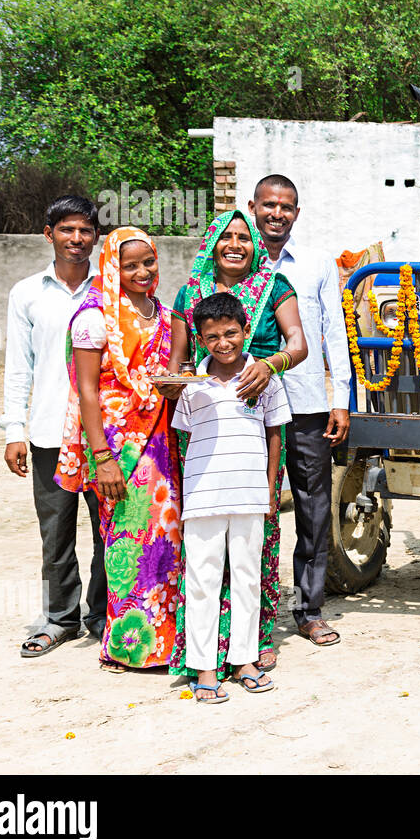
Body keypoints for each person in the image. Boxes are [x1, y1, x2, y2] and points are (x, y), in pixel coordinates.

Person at [166, 209, 308, 675]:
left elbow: (299, 343)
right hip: (207, 425)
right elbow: (181, 361)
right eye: (225, 236)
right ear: (211, 241)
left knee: (253, 551)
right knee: (204, 560)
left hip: (261, 406)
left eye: (243, 237)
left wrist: (269, 366)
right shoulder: (190, 291)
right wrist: (182, 382)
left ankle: (253, 643)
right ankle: (204, 656)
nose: (235, 244)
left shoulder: (275, 284)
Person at [56, 227, 181, 672]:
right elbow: (86, 392)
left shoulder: (165, 315)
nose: (143, 272)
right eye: (131, 266)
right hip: (118, 451)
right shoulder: (95, 317)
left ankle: (165, 644)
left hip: (162, 445)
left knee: (164, 543)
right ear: (113, 266)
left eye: (148, 261)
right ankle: (128, 646)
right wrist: (103, 459)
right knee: (126, 545)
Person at [171, 293, 293, 702]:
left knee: (247, 578)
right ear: (201, 341)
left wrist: (271, 485)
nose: (223, 343)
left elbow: (275, 433)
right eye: (211, 337)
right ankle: (204, 667)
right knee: (202, 580)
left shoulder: (264, 379)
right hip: (204, 495)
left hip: (251, 493)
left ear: (245, 330)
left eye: (231, 333)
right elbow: (185, 437)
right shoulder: (191, 386)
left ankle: (244, 659)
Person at [248, 174, 351, 648]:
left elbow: (334, 332)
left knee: (313, 508)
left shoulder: (315, 264)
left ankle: (308, 609)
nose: (276, 213)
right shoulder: (235, 262)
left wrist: (340, 399)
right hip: (246, 407)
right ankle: (252, 613)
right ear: (253, 207)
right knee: (251, 506)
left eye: (286, 207)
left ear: (296, 213)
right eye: (269, 205)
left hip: (306, 404)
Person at [3, 196, 106, 657]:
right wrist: (13, 430)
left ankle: (106, 614)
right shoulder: (27, 293)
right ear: (50, 234)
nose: (77, 239)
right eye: (67, 230)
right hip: (48, 432)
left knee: (111, 530)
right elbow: (18, 367)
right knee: (56, 532)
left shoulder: (112, 292)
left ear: (96, 237)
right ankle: (60, 618)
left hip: (104, 435)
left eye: (85, 230)